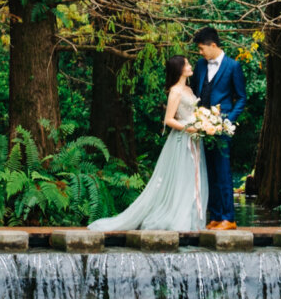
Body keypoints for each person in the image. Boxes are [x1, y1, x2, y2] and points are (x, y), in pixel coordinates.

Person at [88, 57, 207, 232]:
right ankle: (176, 219)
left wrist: (202, 122)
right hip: (182, 140)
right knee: (181, 178)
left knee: (190, 178)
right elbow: (168, 120)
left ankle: (191, 219)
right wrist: (189, 128)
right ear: (179, 69)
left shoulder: (188, 89)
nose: (190, 66)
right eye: (187, 64)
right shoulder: (175, 91)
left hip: (194, 139)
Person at [191, 27, 247, 228]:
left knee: (223, 172)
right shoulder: (199, 65)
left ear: (213, 45)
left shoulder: (233, 66)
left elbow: (241, 98)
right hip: (202, 127)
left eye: (201, 48)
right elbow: (197, 92)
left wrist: (228, 121)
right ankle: (215, 217)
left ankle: (229, 218)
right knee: (209, 173)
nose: (200, 52)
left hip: (222, 128)